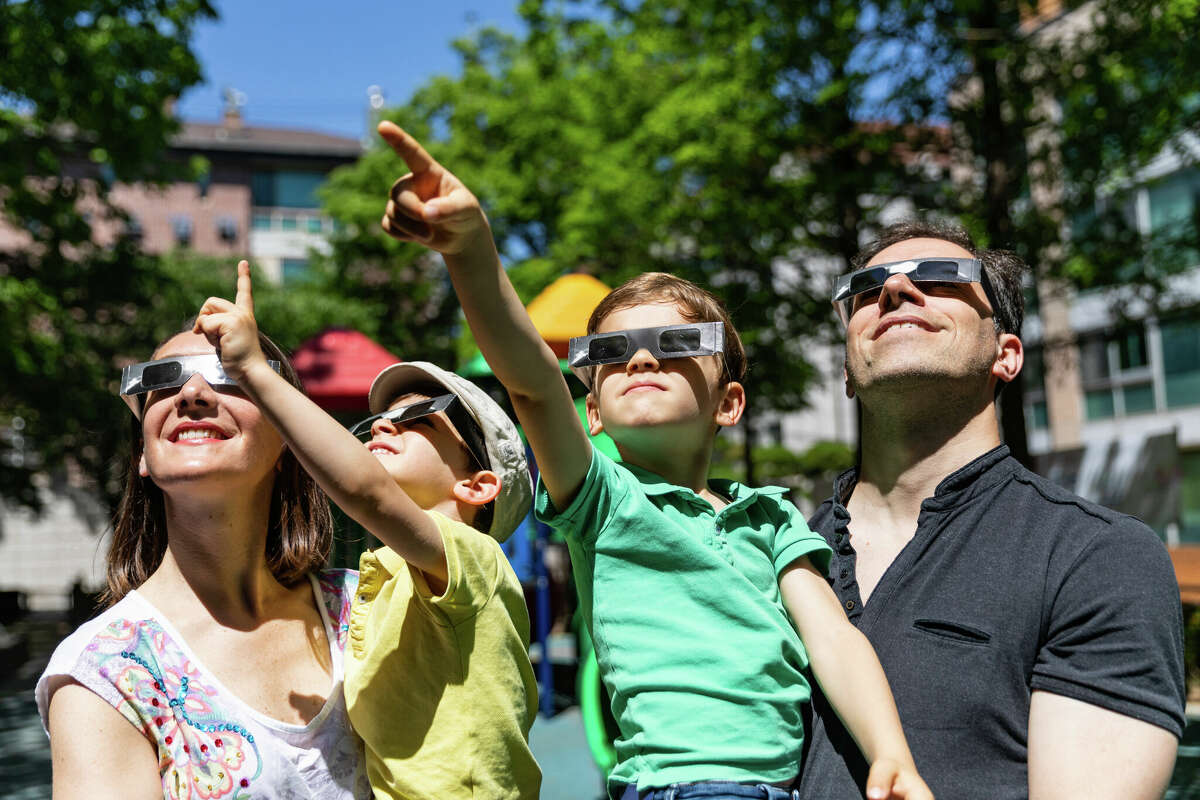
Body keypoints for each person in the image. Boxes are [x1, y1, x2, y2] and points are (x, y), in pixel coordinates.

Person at [374, 120, 933, 800]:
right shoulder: (605, 501)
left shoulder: (771, 517)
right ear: (595, 412)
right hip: (674, 786)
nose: (640, 357)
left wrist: (891, 754)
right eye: (609, 353)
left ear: (729, 403)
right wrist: (470, 251)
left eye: (676, 341)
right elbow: (531, 380)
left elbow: (834, 640)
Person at [797, 221, 1186, 799]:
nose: (896, 291)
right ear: (848, 373)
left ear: (1005, 355)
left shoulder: (1097, 556)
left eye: (940, 277)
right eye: (866, 285)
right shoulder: (770, 551)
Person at [192, 263, 541, 799]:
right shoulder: (384, 578)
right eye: (375, 421)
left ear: (477, 486)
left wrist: (254, 372)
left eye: (419, 417)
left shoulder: (476, 560)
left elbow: (366, 492)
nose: (382, 423)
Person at [36, 321, 368, 799]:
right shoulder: (106, 672)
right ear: (143, 455)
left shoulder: (365, 609)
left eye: (230, 375)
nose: (191, 392)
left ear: (289, 438)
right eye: (162, 380)